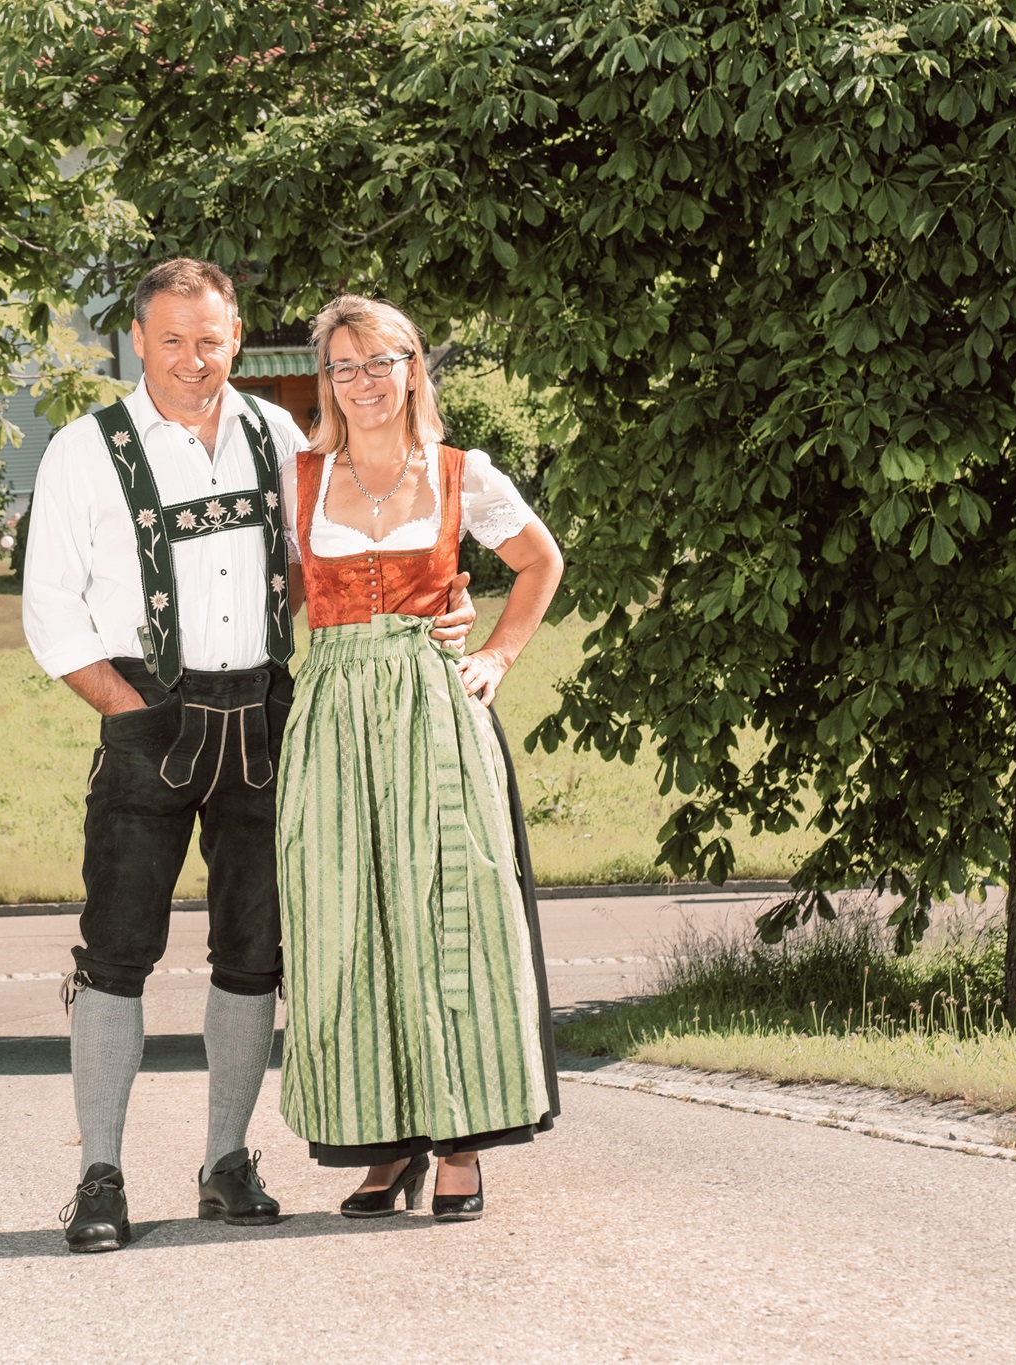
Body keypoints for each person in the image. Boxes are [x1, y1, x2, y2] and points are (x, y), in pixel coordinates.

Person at [22, 259, 479, 1252]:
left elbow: (349, 548)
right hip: (149, 721)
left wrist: (445, 595)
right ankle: (99, 1174)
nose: (193, 359)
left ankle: (224, 1161)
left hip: (270, 721)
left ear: (236, 339)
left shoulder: (279, 436)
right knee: (115, 954)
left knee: (253, 953)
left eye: (211, 339)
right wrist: (129, 711)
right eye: (173, 339)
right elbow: (50, 614)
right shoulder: (81, 451)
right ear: (136, 340)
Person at [276, 294, 565, 1221]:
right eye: (342, 367)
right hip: (332, 712)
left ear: (412, 368)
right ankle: (386, 1138)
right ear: (328, 381)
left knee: (452, 908)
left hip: (431, 707)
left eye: (378, 362)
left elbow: (540, 561)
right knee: (347, 913)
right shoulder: (300, 479)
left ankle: (462, 1141)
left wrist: (496, 654)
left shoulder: (459, 472)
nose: (361, 382)